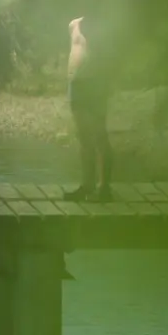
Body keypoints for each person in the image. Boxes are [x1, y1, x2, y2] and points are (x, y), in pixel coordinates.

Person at [65, 16, 114, 201]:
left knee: (99, 134)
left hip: (95, 83)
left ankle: (104, 187)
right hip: (76, 84)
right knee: (84, 137)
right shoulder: (73, 24)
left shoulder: (104, 24)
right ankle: (87, 185)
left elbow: (110, 56)